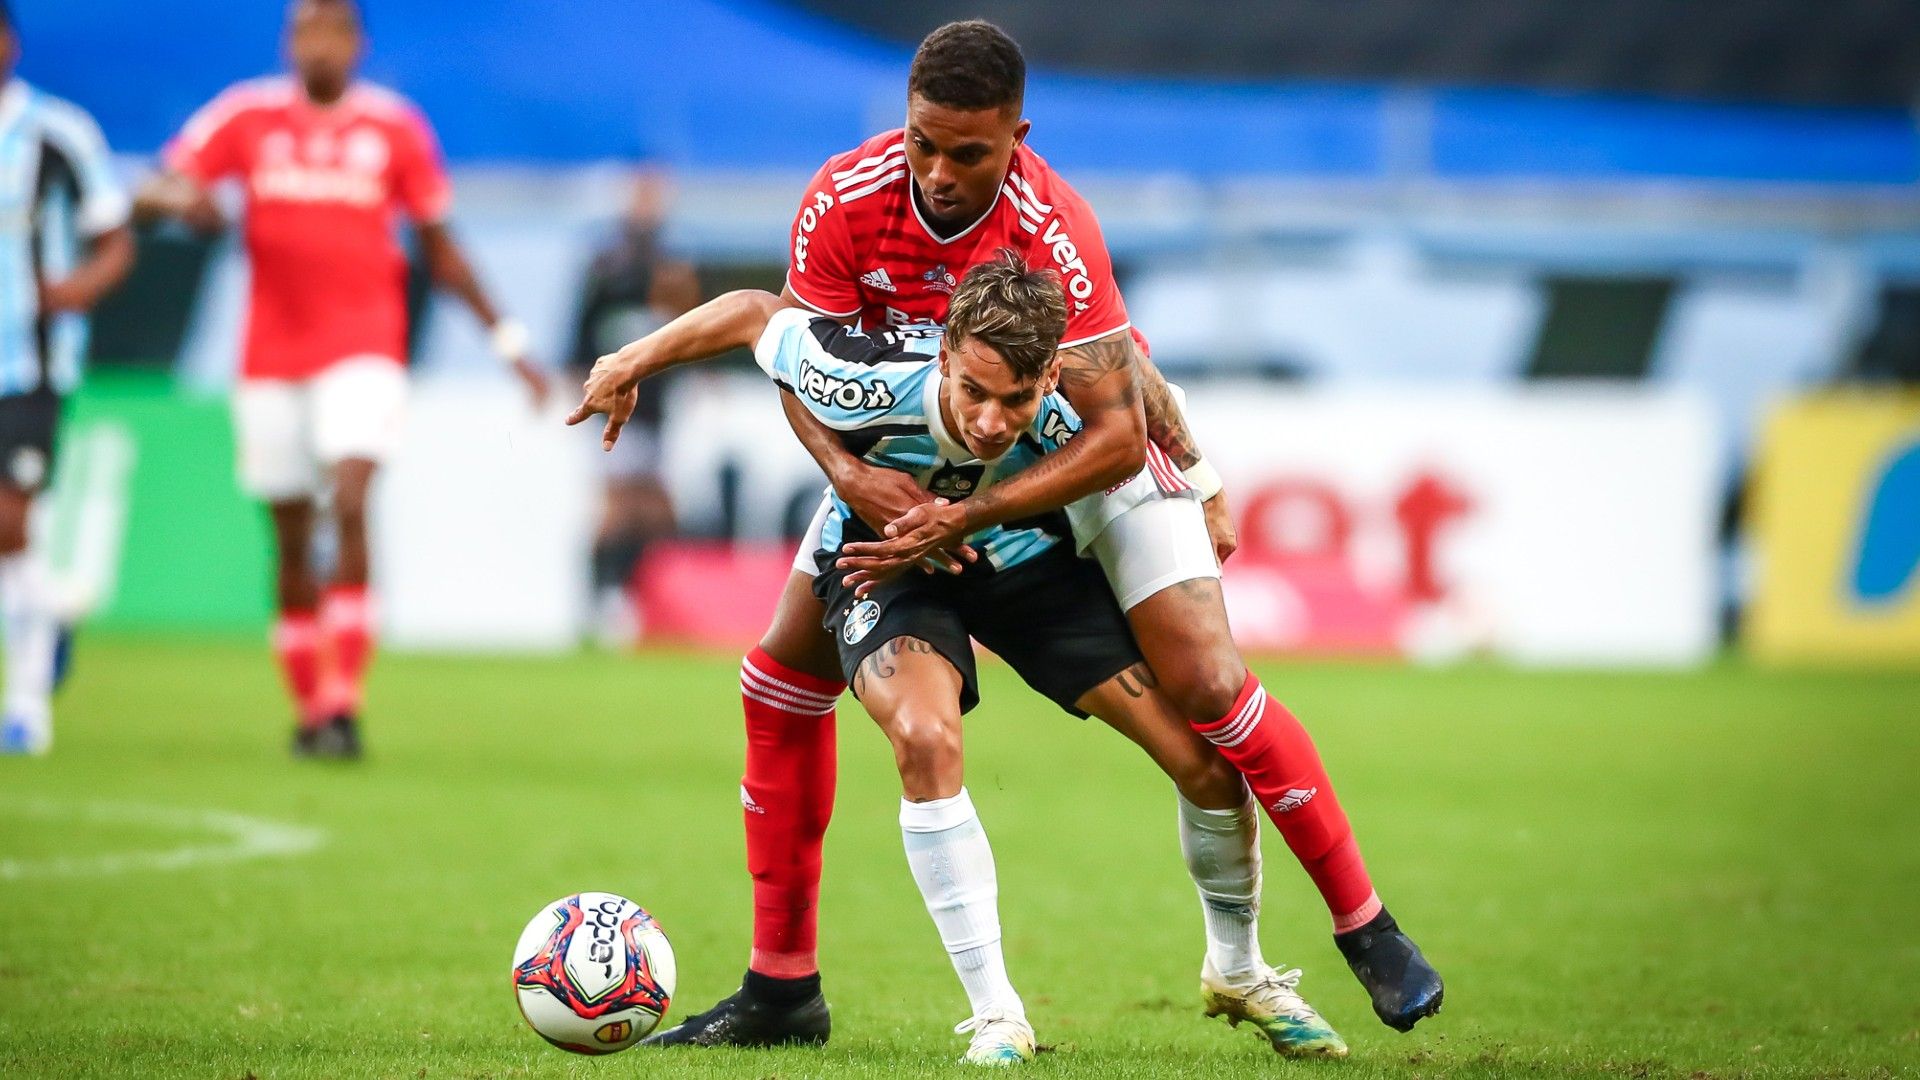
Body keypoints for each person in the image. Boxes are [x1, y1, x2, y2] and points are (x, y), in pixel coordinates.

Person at [578, 19, 1442, 1044]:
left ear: (1018, 136)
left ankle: (1357, 930)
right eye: (923, 145)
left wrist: (1182, 477)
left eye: (969, 154)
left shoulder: (1058, 230)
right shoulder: (845, 207)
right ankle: (790, 992)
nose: (939, 175)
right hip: (910, 485)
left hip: (1071, 480)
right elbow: (784, 344)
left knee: (1209, 694)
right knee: (781, 681)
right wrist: (854, 474)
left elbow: (1122, 423)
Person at [574, 252, 1350, 1062]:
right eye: (973, 391)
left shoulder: (1077, 414)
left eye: (1014, 398)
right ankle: (998, 1016)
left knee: (1204, 764)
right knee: (925, 738)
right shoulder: (863, 380)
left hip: (1029, 568)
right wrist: (631, 359)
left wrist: (1203, 483)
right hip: (892, 565)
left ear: (1050, 375)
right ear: (944, 354)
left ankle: (1240, 969)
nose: (988, 421)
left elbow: (1145, 404)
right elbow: (748, 313)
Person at [133, 0, 547, 758]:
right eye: (301, 32)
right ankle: (307, 710)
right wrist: (187, 201)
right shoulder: (245, 116)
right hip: (269, 357)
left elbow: (441, 248)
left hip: (364, 349)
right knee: (289, 538)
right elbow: (150, 187)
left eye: (329, 31)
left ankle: (343, 700)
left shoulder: (393, 128)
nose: (314, 46)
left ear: (355, 44)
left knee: (351, 498)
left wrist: (509, 341)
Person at [0, 3, 136, 756]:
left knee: (10, 523)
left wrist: (74, 289)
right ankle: (52, 610)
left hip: (29, 363)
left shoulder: (59, 134)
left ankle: (25, 708)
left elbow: (116, 241)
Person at [567, 169, 699, 645]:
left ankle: (637, 599)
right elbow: (580, 337)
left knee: (655, 510)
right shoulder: (607, 266)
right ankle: (602, 602)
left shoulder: (672, 265)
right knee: (618, 507)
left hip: (656, 409)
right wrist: (581, 390)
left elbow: (693, 329)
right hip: (614, 409)